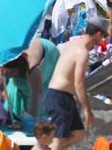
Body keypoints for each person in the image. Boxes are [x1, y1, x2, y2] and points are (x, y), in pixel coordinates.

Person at [43, 18, 107, 149]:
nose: (102, 40)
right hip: (58, 97)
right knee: (58, 141)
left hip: (63, 97)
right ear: (98, 34)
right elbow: (79, 83)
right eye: (103, 36)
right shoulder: (82, 52)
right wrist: (87, 109)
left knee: (79, 133)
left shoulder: (74, 43)